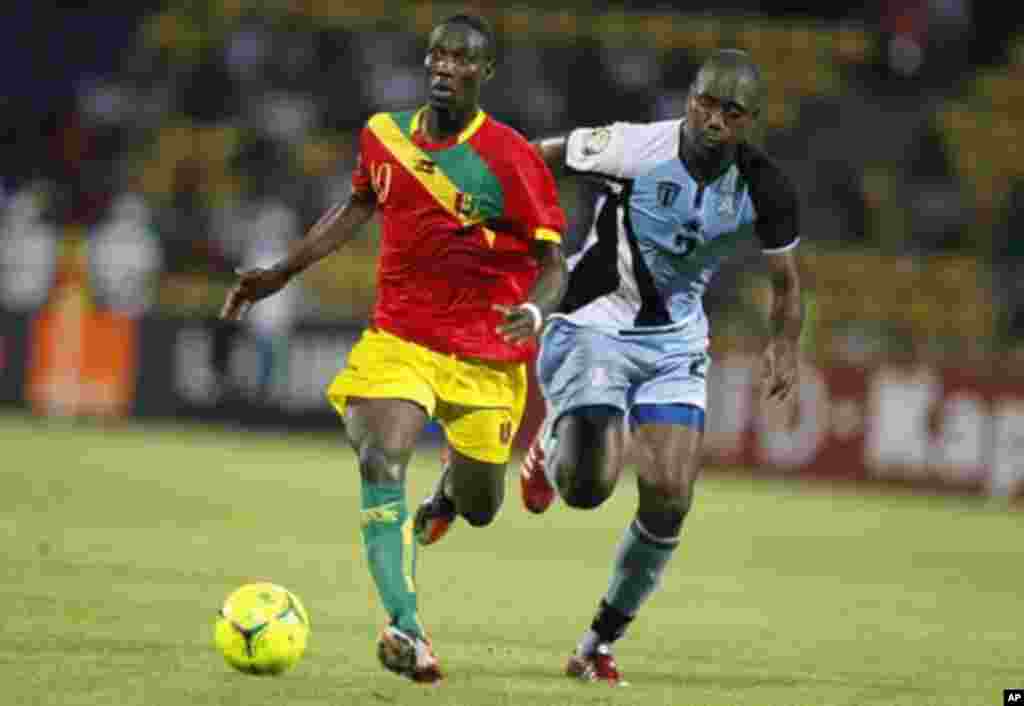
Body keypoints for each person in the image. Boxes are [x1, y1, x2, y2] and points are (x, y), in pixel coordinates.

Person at [220, 14, 567, 684]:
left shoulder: (511, 158)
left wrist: (533, 308)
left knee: (481, 504)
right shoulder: (383, 135)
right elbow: (354, 206)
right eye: (436, 55)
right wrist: (282, 271)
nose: (443, 67)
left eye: (461, 59)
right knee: (381, 457)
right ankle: (408, 627)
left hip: (487, 357)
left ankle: (445, 501)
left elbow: (555, 265)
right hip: (400, 340)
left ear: (483, 74)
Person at [519, 49, 804, 686]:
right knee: (588, 489)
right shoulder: (631, 148)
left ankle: (596, 642)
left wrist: (784, 344)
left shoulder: (767, 188)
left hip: (675, 339)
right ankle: (552, 439)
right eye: (704, 102)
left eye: (730, 112)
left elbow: (786, 283)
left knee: (672, 497)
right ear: (688, 100)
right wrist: (528, 237)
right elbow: (531, 156)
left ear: (748, 121)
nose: (712, 120)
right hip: (595, 323)